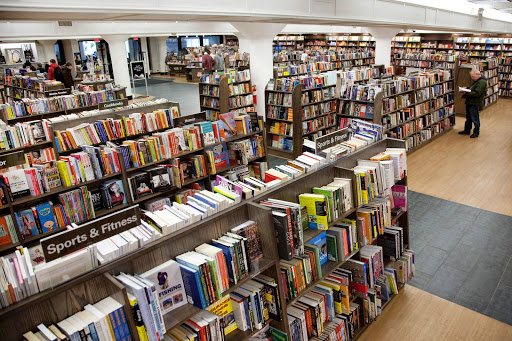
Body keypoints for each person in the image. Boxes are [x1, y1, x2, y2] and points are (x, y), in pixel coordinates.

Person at [459, 69, 486, 138]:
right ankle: (467, 130)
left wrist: (466, 92)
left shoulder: (482, 82)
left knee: (475, 118)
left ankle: (476, 132)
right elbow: (473, 89)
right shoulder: (476, 81)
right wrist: (466, 88)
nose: (472, 78)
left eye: (472, 76)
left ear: (477, 74)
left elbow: (477, 93)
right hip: (470, 101)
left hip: (474, 102)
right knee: (468, 117)